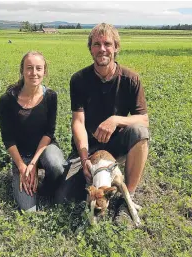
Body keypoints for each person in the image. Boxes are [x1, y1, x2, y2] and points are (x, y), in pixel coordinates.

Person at [55, 23, 149, 223]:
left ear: (116, 47)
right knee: (63, 198)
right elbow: (78, 122)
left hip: (115, 147)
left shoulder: (131, 79)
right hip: (88, 149)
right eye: (96, 44)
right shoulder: (79, 79)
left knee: (139, 132)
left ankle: (127, 197)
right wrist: (83, 158)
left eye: (107, 43)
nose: (102, 49)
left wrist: (116, 120)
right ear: (90, 48)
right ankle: (95, 182)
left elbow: (143, 119)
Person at [0, 51, 65, 212]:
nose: (34, 73)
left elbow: (49, 133)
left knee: (57, 166)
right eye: (29, 68)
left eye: (38, 68)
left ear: (44, 71)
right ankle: (20, 175)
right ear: (22, 70)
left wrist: (34, 163)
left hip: (45, 149)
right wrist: (23, 166)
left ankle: (46, 186)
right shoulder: (7, 100)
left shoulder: (50, 96)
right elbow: (8, 139)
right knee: (29, 210)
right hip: (21, 156)